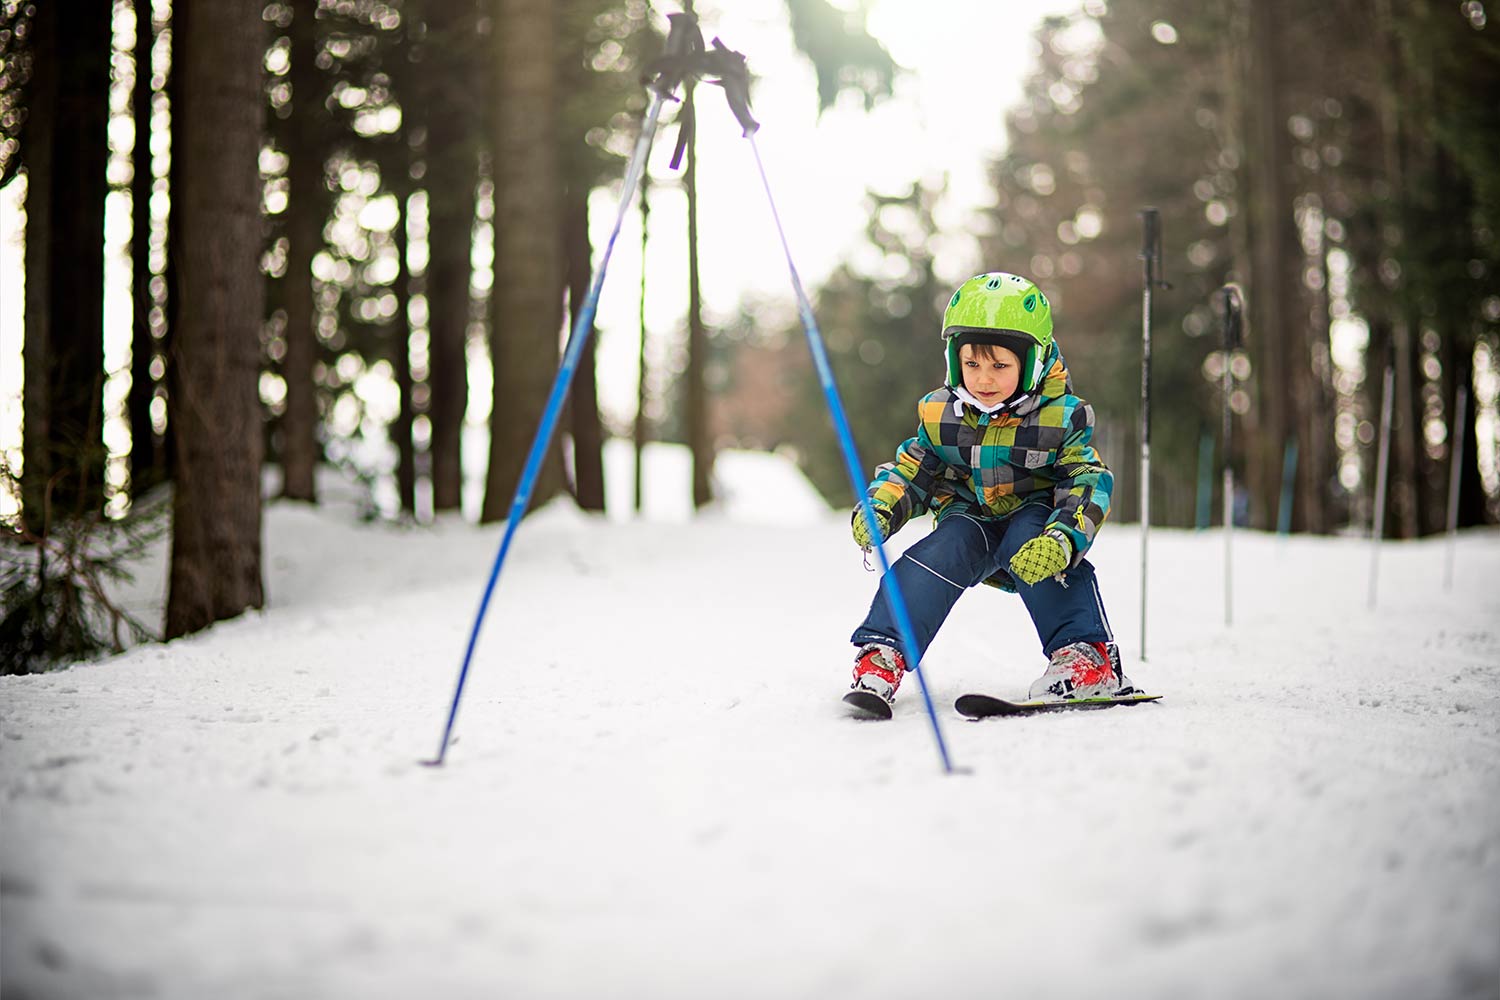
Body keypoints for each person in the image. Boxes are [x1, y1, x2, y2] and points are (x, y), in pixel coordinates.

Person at [845, 271, 1138, 711]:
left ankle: (1086, 656)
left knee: (1032, 544)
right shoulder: (941, 412)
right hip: (970, 518)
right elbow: (913, 470)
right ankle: (882, 653)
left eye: (1000, 366)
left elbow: (1087, 480)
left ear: (1032, 364)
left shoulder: (1061, 417)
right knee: (932, 558)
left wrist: (1064, 538)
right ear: (952, 361)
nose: (983, 379)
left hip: (1035, 516)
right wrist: (882, 506)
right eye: (972, 364)